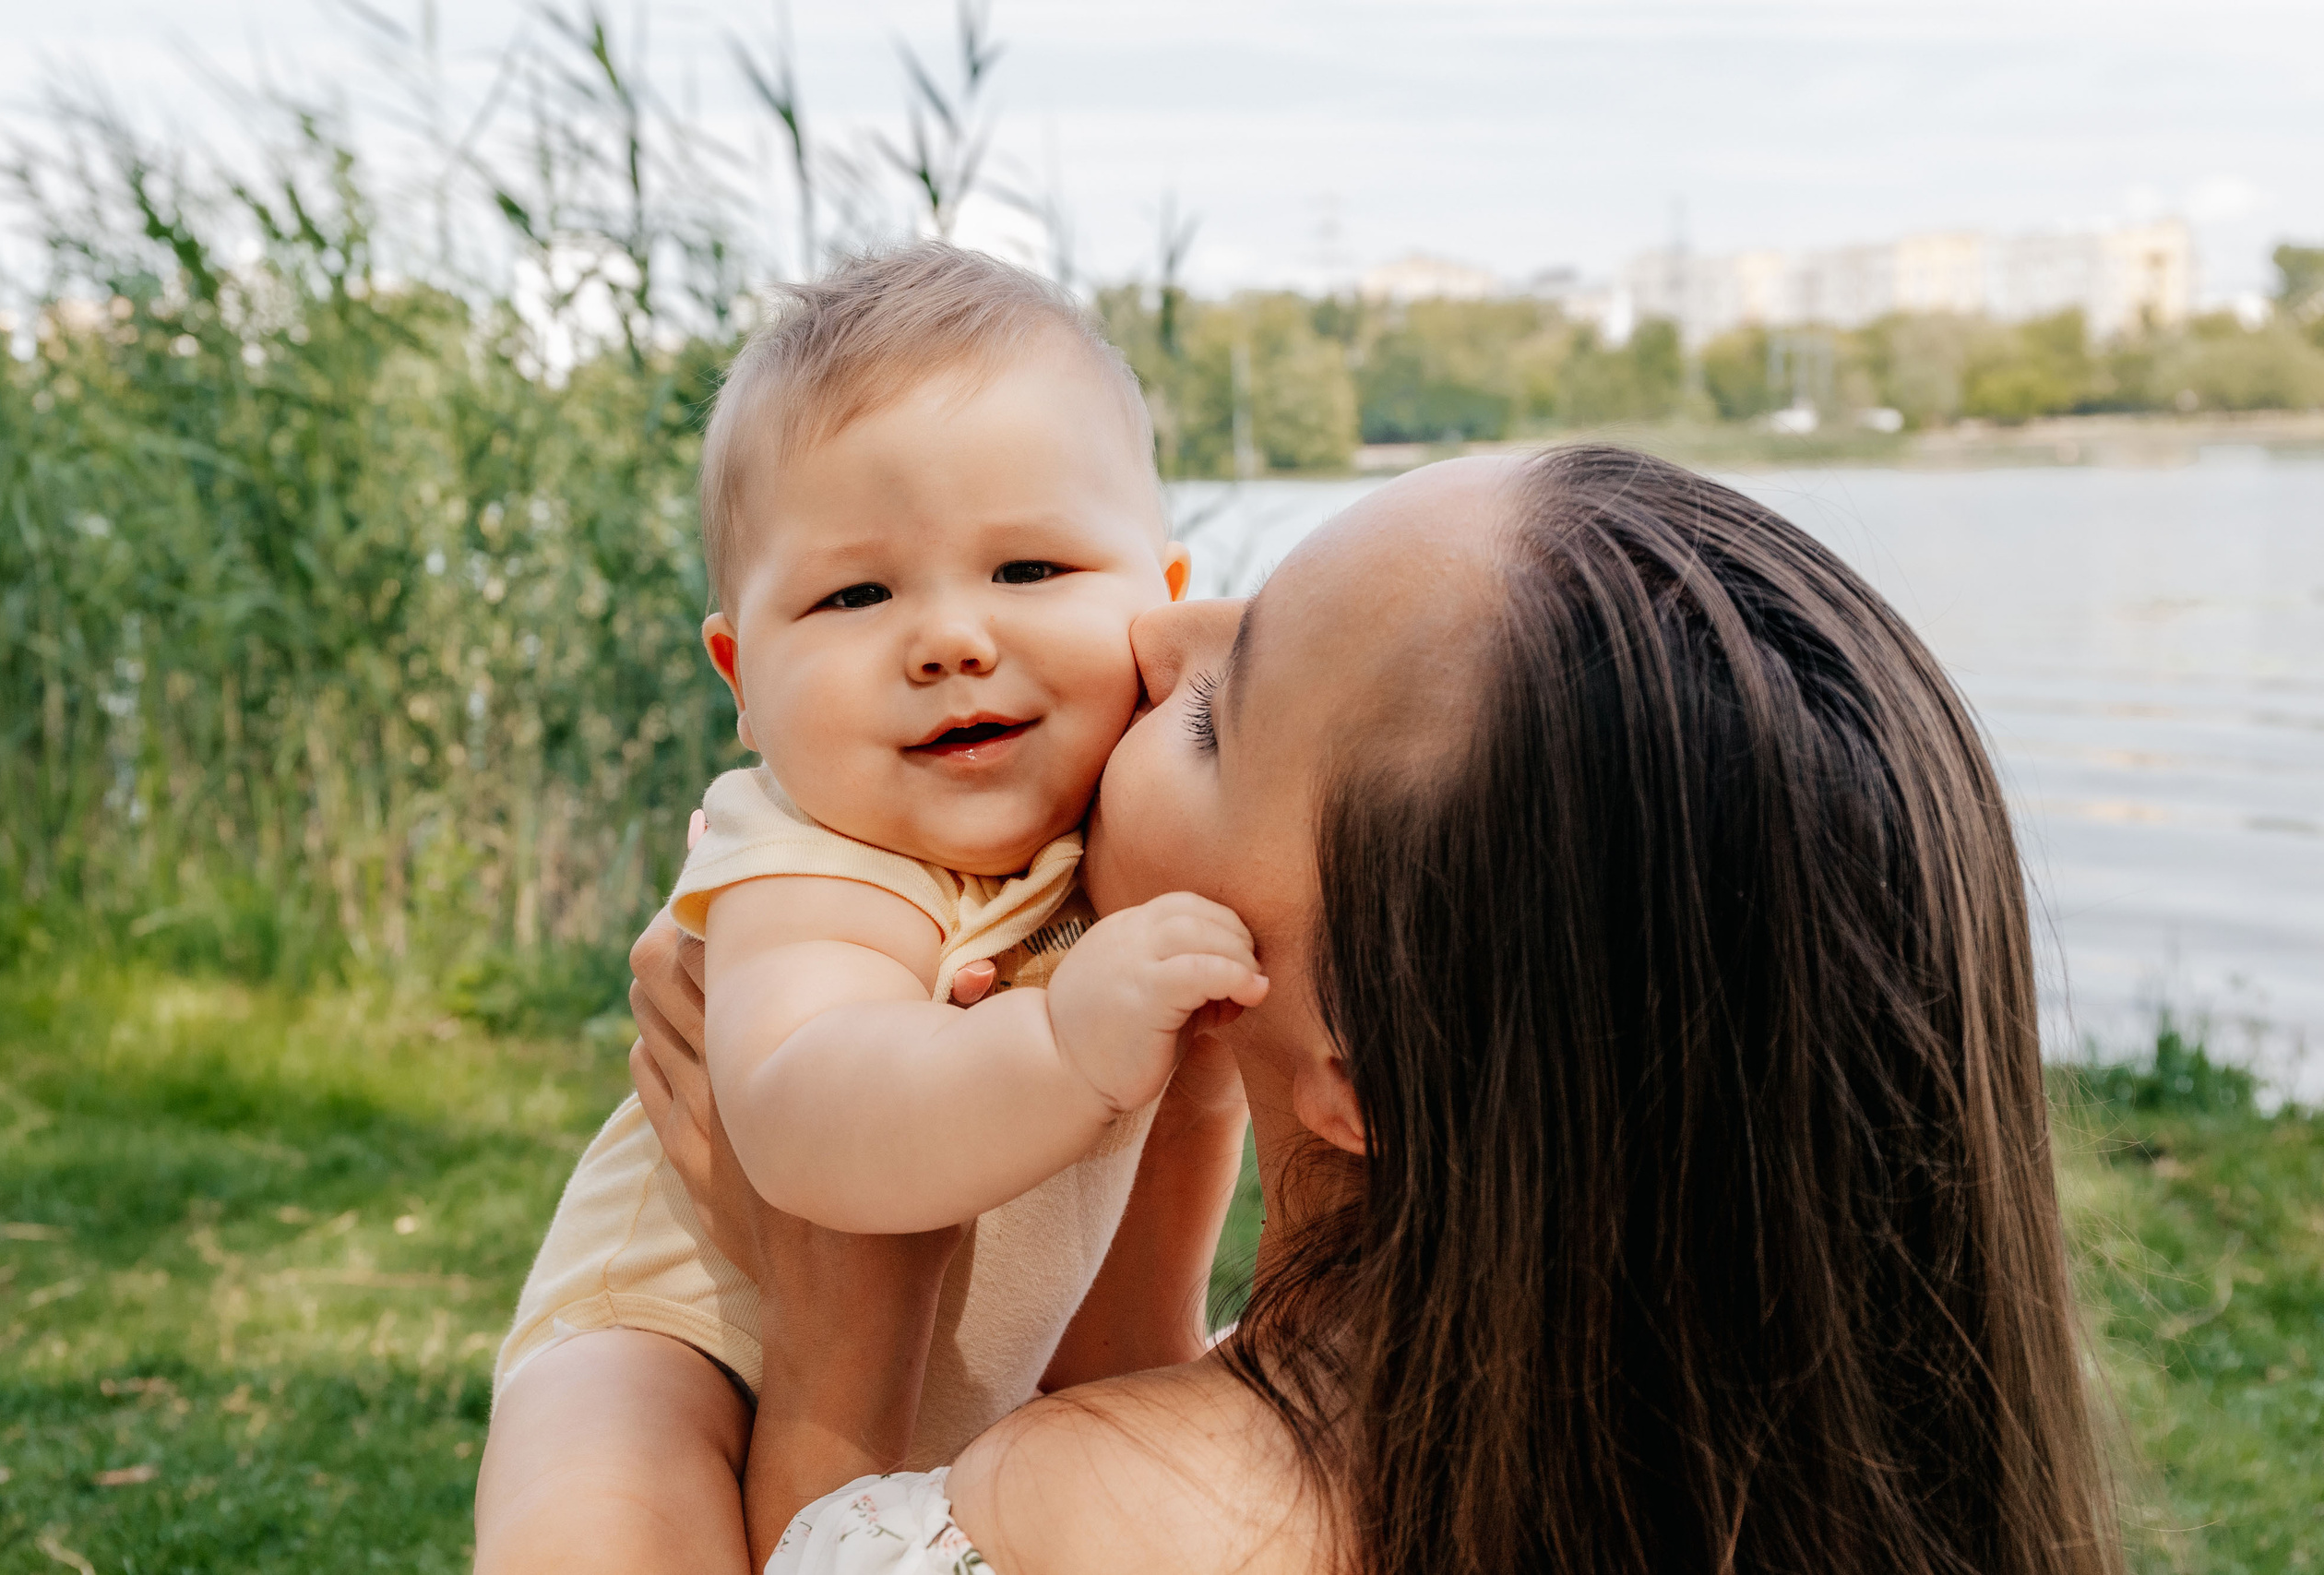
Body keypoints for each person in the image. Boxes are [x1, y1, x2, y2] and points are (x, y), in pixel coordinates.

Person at [628, 446, 2124, 1575]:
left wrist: (839, 1309)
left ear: (1363, 1065)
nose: (1154, 640)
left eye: (1215, 719)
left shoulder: (1074, 1521)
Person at [473, 245, 1269, 1571]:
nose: (950, 639)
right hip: (686, 1342)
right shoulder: (806, 856)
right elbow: (808, 1117)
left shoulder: (1135, 840)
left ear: (1164, 611)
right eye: (855, 595)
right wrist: (1064, 1044)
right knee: (600, 1500)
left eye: (1029, 571)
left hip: (973, 1377)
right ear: (743, 671)